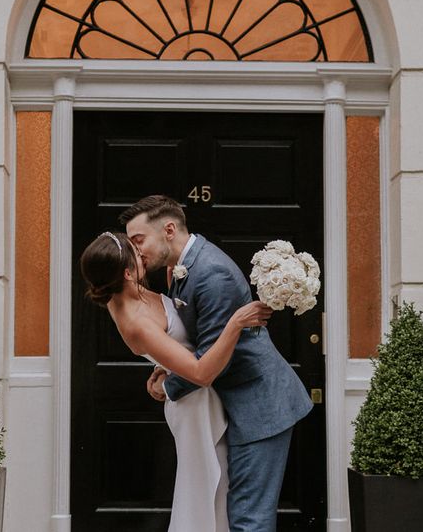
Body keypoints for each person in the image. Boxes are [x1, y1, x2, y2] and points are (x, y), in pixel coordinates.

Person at [120, 195, 313, 532]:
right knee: (233, 510)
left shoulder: (212, 274)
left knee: (248, 517)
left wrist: (169, 385)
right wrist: (165, 367)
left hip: (261, 405)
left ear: (168, 230)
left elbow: (214, 363)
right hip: (235, 403)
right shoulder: (178, 268)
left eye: (139, 241)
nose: (137, 253)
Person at [80, 230, 273, 532]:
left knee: (219, 485)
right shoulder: (136, 322)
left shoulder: (129, 291)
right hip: (193, 404)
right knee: (203, 490)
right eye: (135, 250)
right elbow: (199, 373)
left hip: (203, 397)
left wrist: (162, 369)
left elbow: (174, 349)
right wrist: (236, 323)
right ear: (128, 273)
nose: (142, 252)